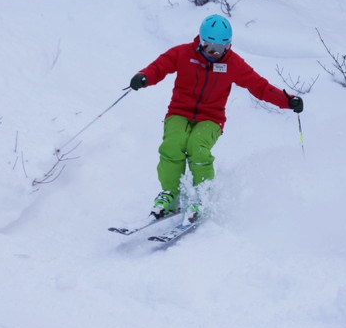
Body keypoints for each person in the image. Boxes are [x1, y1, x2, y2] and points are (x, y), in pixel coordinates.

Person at [129, 14, 304, 225]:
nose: (214, 53)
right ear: (200, 41)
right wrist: (144, 76)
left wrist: (287, 101)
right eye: (209, 47)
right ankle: (170, 194)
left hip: (211, 118)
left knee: (197, 146)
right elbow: (160, 66)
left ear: (228, 46)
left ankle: (199, 197)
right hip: (179, 112)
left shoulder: (233, 64)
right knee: (172, 144)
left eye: (220, 49)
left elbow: (259, 86)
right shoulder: (183, 53)